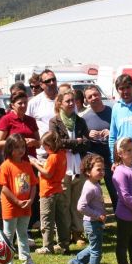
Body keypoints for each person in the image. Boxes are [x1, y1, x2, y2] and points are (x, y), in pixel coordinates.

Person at [49, 88, 90, 246]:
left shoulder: (80, 121)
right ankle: (64, 236)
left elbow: (86, 143)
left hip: (78, 165)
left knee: (77, 201)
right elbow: (56, 142)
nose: (71, 104)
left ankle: (77, 233)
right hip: (62, 167)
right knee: (64, 203)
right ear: (60, 103)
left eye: (73, 101)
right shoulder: (55, 121)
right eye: (68, 101)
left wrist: (74, 145)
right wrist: (76, 143)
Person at [0, 134, 39, 264]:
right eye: (16, 147)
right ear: (9, 149)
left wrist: (31, 200)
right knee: (9, 234)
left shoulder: (27, 165)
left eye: (22, 147)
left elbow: (33, 184)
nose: (21, 150)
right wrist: (16, 201)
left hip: (26, 206)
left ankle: (26, 259)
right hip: (11, 207)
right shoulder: (5, 166)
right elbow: (3, 187)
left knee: (23, 233)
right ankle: (8, 263)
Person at [68, 154, 108, 264]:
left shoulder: (95, 184)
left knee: (94, 248)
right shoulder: (90, 187)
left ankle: (75, 263)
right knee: (96, 251)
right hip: (92, 223)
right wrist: (97, 215)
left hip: (95, 222)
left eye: (103, 169)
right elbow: (81, 206)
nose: (102, 172)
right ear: (87, 172)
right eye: (98, 169)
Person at [31, 131, 71, 255]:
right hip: (58, 189)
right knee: (61, 219)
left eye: (45, 145)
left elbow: (48, 173)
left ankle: (47, 246)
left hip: (48, 192)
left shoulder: (53, 156)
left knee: (47, 219)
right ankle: (64, 244)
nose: (44, 148)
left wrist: (34, 164)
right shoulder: (62, 154)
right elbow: (52, 168)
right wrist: (42, 164)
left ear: (52, 144)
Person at [80, 84, 117, 207]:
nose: (94, 98)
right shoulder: (84, 118)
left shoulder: (112, 112)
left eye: (95, 94)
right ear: (86, 100)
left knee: (115, 188)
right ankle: (95, 220)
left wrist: (111, 132)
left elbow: (121, 131)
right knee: (93, 190)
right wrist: (88, 135)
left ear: (100, 95)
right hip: (94, 156)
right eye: (90, 96)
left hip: (111, 155)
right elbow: (82, 139)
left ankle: (121, 218)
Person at [0, 91, 41, 157]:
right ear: (12, 105)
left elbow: (39, 144)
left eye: (25, 102)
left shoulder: (31, 120)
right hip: (14, 161)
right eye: (20, 103)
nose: (23, 105)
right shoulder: (6, 119)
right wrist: (18, 142)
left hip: (31, 162)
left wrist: (34, 142)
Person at [27, 69, 59, 156]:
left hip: (63, 152)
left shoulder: (66, 100)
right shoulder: (33, 103)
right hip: (43, 154)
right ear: (41, 85)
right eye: (48, 81)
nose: (52, 83)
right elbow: (27, 125)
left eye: (54, 79)